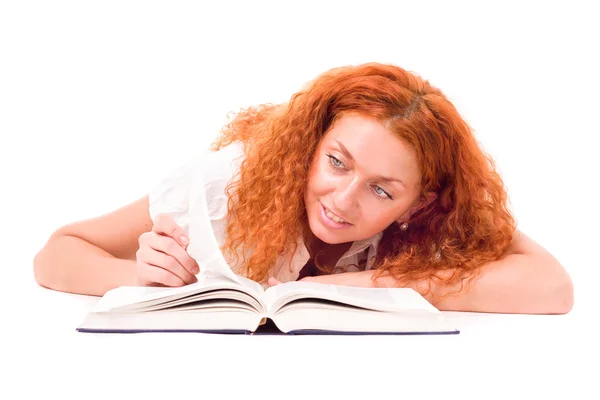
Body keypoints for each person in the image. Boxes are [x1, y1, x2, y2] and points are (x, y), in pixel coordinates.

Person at [33, 62, 573, 314]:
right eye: (337, 162)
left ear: (420, 202)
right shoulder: (229, 181)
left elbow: (552, 288)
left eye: (382, 191)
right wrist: (141, 277)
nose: (343, 200)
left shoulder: (430, 220)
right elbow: (56, 255)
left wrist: (394, 284)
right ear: (311, 144)